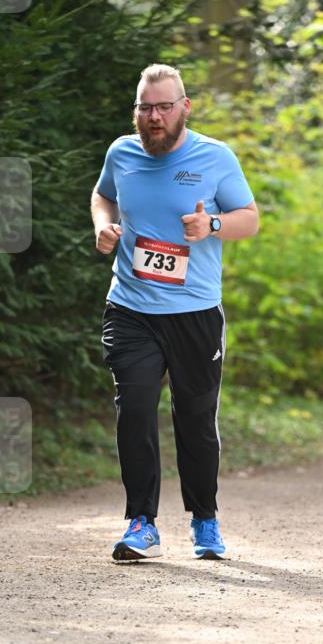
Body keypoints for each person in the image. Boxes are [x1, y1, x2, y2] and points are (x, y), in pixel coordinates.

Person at [91, 63, 259, 562]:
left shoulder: (215, 156)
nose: (155, 116)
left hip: (195, 313)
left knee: (195, 419)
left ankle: (204, 521)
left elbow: (248, 220)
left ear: (185, 107)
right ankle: (141, 522)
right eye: (146, 107)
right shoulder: (121, 152)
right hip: (131, 307)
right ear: (136, 111)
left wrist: (211, 225)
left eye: (164, 106)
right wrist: (104, 225)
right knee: (135, 408)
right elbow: (104, 196)